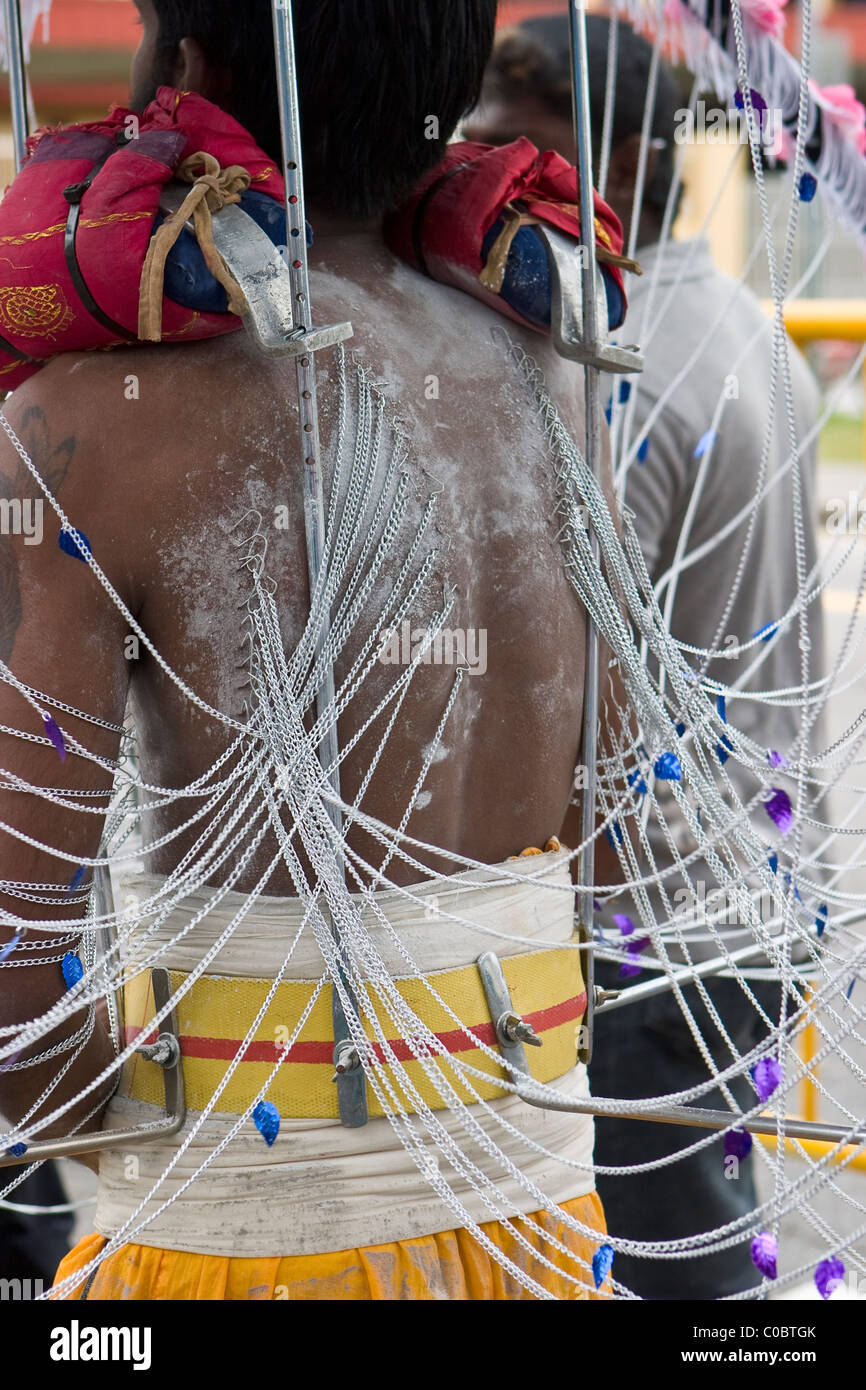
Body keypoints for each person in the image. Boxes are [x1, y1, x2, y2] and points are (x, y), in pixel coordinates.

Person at [0, 0, 613, 1301]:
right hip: (550, 1219)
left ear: (187, 66)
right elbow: (600, 839)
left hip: (237, 1242)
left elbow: (17, 978)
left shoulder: (87, 424)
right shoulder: (544, 371)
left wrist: (162, 1149)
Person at [467, 14, 825, 1299]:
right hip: (743, 900)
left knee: (673, 1277)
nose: (483, 174)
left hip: (656, 932)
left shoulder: (616, 366)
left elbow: (567, 677)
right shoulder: (728, 326)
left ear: (611, 155)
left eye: (518, 147)